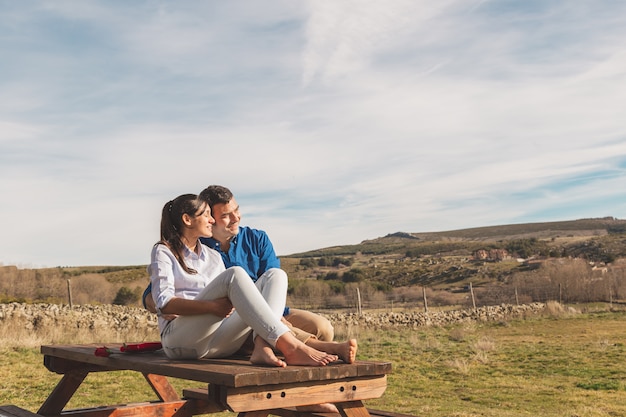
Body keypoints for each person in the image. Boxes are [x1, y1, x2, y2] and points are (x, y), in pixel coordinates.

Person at [148, 193, 343, 367]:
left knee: (276, 275)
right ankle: (290, 346)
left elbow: (230, 300)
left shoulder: (212, 256)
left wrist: (254, 312)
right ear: (187, 219)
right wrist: (211, 308)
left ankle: (263, 344)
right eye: (206, 215)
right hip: (180, 341)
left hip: (216, 343)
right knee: (235, 273)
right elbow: (163, 303)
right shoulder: (164, 251)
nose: (211, 220)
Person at [198, 185, 334, 342]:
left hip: (274, 309)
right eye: (226, 215)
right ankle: (302, 346)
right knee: (286, 333)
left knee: (322, 328)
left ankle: (276, 340)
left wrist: (274, 317)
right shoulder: (198, 248)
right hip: (229, 319)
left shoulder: (257, 238)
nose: (236, 218)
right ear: (209, 218)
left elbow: (273, 280)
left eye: (236, 210)